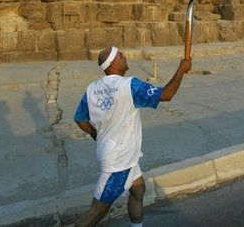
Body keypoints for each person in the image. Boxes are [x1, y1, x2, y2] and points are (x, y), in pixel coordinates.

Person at [73, 46, 192, 227]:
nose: (125, 57)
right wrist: (181, 69)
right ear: (113, 63)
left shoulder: (92, 89)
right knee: (97, 211)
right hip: (119, 162)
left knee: (138, 189)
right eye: (121, 55)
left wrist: (95, 133)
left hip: (121, 155)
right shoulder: (129, 85)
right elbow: (166, 95)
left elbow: (80, 118)